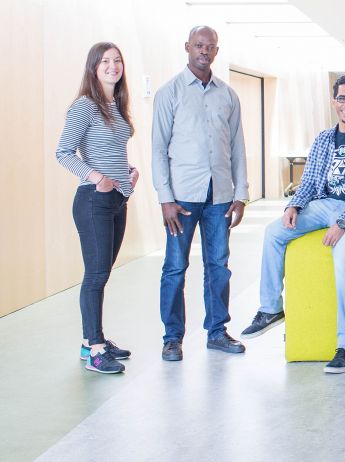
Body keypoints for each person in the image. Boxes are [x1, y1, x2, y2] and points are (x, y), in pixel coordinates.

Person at [241, 75, 345, 374]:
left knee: (343, 260)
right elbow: (308, 181)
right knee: (273, 232)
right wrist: (294, 205)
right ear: (334, 101)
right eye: (343, 98)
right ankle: (270, 308)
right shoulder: (323, 138)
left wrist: (343, 223)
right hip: (324, 205)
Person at [152, 26, 250, 361]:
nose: (204, 51)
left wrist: (241, 193)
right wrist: (165, 198)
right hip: (181, 197)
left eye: (210, 47)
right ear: (187, 47)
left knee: (218, 266)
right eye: (198, 45)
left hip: (220, 195)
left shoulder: (228, 95)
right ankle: (172, 338)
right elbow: (157, 149)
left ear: (216, 52)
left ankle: (217, 332)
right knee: (175, 267)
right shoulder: (170, 92)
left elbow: (237, 146)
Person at [56, 42, 138, 374]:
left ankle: (94, 339)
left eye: (117, 60)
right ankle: (93, 349)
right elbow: (63, 152)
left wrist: (128, 175)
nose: (112, 66)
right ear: (93, 67)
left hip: (117, 200)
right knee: (95, 275)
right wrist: (97, 177)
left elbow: (111, 149)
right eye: (105, 61)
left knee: (102, 275)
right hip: (93, 200)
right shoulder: (85, 106)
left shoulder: (115, 106)